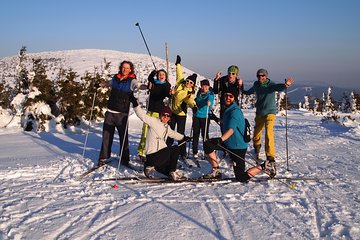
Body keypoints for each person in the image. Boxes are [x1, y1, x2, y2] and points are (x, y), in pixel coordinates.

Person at [202, 88, 267, 181]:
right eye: (226, 96)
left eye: (230, 96)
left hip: (237, 147)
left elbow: (231, 130)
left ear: (234, 98)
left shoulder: (235, 112)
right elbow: (226, 122)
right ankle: (216, 171)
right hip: (229, 143)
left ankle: (264, 166)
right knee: (208, 145)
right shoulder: (229, 109)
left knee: (241, 177)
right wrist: (216, 119)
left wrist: (220, 140)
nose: (228, 98)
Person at [240, 68, 293, 177]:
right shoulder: (256, 85)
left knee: (269, 131)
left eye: (263, 76)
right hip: (260, 112)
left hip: (270, 112)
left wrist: (286, 85)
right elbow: (248, 92)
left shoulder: (270, 84)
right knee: (257, 133)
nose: (261, 78)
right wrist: (242, 88)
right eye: (259, 76)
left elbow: (278, 87)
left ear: (266, 76)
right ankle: (257, 147)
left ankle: (270, 157)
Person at [130, 95, 191, 180]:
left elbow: (173, 134)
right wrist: (135, 104)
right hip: (152, 155)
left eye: (168, 116)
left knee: (166, 167)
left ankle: (153, 170)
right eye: (164, 115)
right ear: (160, 115)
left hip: (158, 157)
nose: (165, 117)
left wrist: (184, 138)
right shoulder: (154, 121)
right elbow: (142, 116)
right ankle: (171, 171)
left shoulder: (167, 127)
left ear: (170, 118)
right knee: (175, 149)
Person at [97, 60, 141, 167]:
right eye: (123, 67)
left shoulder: (132, 81)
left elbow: (139, 85)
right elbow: (107, 84)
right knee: (107, 136)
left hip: (122, 114)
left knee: (123, 137)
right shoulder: (115, 79)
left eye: (127, 68)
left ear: (130, 70)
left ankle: (124, 159)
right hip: (110, 112)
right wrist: (100, 84)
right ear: (121, 68)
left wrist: (147, 86)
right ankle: (104, 157)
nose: (125, 69)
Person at [137, 68, 171, 162]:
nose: (161, 76)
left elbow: (166, 93)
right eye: (159, 74)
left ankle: (154, 152)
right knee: (145, 132)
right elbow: (150, 78)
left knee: (155, 134)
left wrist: (170, 93)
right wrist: (154, 72)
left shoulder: (166, 85)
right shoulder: (154, 82)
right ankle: (142, 152)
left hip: (158, 113)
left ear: (165, 77)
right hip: (149, 111)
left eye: (163, 74)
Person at [167, 55, 197, 160]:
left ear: (193, 85)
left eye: (191, 83)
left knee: (180, 134)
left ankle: (182, 153)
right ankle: (167, 149)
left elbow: (190, 101)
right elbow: (179, 74)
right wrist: (178, 64)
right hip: (172, 112)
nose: (188, 83)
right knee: (170, 132)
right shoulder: (180, 83)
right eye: (188, 81)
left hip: (181, 114)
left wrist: (194, 106)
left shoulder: (190, 93)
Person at [192, 79, 215, 159]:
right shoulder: (199, 93)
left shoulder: (210, 94)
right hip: (196, 116)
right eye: (203, 86)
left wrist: (209, 102)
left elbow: (210, 100)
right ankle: (195, 151)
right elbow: (196, 100)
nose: (204, 87)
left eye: (206, 86)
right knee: (195, 134)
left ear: (208, 86)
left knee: (205, 135)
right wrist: (193, 104)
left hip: (205, 117)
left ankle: (207, 151)